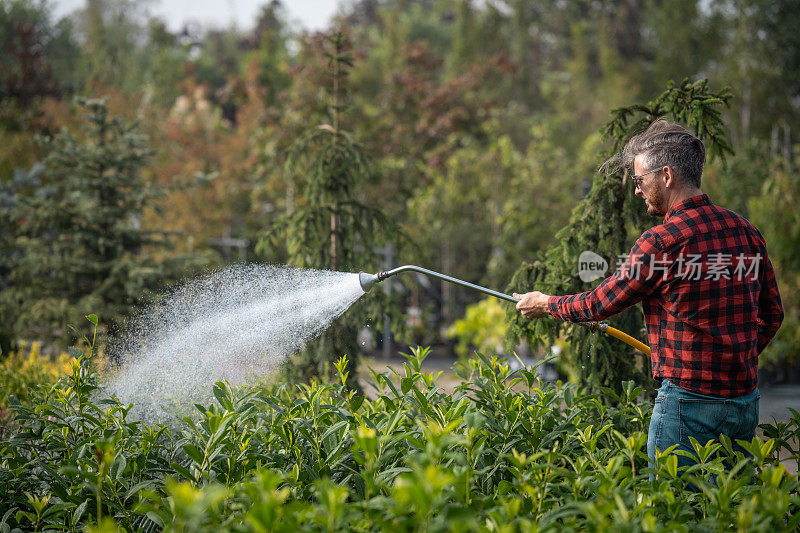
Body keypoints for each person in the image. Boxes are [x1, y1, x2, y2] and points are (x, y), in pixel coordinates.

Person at [513, 119, 784, 474]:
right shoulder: (746, 232)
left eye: (640, 181)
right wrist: (733, 357)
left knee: (676, 513)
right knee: (732, 512)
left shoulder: (661, 242)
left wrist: (546, 303)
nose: (637, 190)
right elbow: (772, 316)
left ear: (666, 176)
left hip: (687, 405)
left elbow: (599, 303)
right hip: (744, 403)